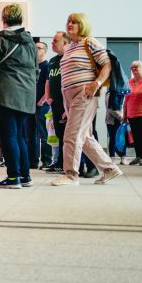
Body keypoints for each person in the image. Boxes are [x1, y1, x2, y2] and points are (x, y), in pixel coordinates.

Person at [51, 13, 122, 186]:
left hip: (85, 93)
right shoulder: (70, 48)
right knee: (85, 136)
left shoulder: (89, 42)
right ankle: (109, 169)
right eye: (68, 21)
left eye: (74, 22)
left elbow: (107, 64)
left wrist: (96, 84)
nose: (70, 24)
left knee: (72, 134)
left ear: (82, 25)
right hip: (70, 97)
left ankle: (71, 174)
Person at [0, 4, 38, 189]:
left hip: (4, 94)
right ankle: (25, 176)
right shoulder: (31, 42)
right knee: (20, 136)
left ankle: (13, 178)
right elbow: (35, 72)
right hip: (26, 96)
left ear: (3, 19)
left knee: (8, 136)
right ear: (21, 19)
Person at [43, 31, 67, 173]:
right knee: (58, 134)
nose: (52, 44)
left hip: (67, 103)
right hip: (55, 103)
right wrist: (48, 98)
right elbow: (48, 81)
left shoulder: (69, 58)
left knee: (66, 135)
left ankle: (65, 163)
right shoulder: (52, 61)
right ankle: (59, 162)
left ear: (64, 42)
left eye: (55, 41)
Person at [29, 41, 52, 168]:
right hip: (29, 105)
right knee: (31, 134)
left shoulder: (47, 66)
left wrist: (43, 100)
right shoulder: (31, 67)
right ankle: (33, 161)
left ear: (45, 50)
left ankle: (47, 160)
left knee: (43, 134)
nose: (35, 50)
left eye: (38, 48)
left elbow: (49, 85)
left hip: (41, 105)